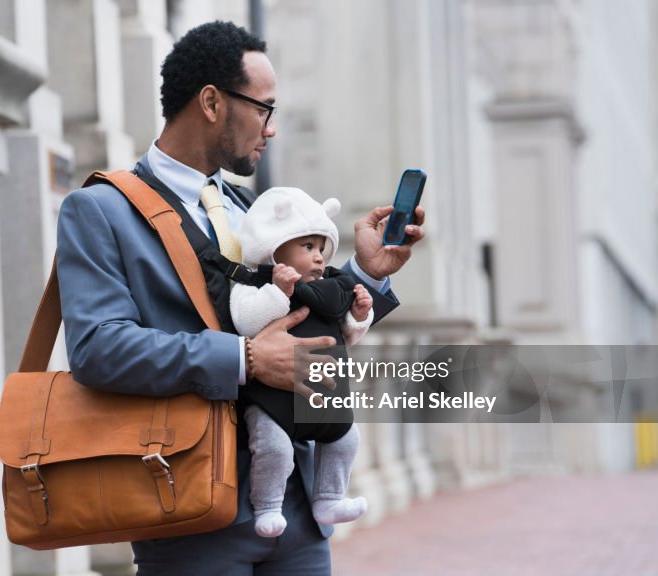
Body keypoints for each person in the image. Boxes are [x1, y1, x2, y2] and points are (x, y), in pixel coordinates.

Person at [56, 20, 425, 575]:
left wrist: (365, 274)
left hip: (298, 511)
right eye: (264, 108)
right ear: (211, 102)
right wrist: (245, 361)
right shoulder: (101, 209)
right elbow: (97, 349)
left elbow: (297, 306)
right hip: (188, 512)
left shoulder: (253, 207)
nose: (271, 129)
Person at [229, 187, 372, 539]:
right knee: (273, 448)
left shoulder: (329, 289)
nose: (319, 257)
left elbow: (346, 336)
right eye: (307, 247)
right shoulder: (254, 283)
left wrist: (358, 315)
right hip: (272, 399)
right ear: (274, 248)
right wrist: (278, 293)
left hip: (322, 400)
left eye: (321, 248)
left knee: (347, 440)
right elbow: (246, 322)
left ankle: (329, 498)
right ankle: (267, 506)